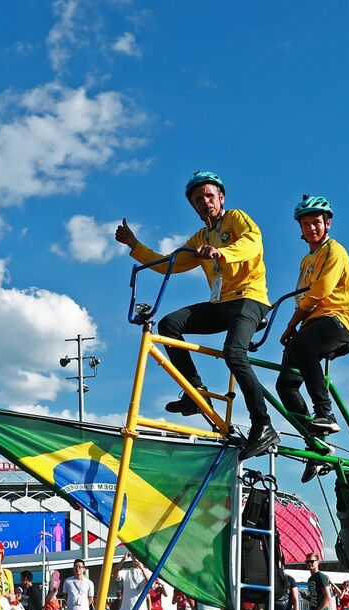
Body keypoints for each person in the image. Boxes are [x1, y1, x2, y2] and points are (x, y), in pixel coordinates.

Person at [115, 171, 277, 460]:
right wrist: (134, 246)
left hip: (249, 299)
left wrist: (221, 252)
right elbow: (171, 263)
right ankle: (195, 389)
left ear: (221, 197)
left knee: (233, 353)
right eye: (198, 199)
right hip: (220, 303)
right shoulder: (201, 236)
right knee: (169, 324)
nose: (205, 202)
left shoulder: (236, 218)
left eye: (209, 196)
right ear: (193, 206)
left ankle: (263, 425)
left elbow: (253, 241)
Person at [277, 195, 349, 482]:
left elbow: (320, 292)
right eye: (306, 223)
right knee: (285, 384)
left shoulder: (334, 250)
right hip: (311, 324)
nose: (311, 228)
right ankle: (316, 443)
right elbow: (302, 295)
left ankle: (325, 413)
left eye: (316, 222)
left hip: (338, 320)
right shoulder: (306, 259)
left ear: (327, 224)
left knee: (301, 343)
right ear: (300, 229)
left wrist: (290, 326)